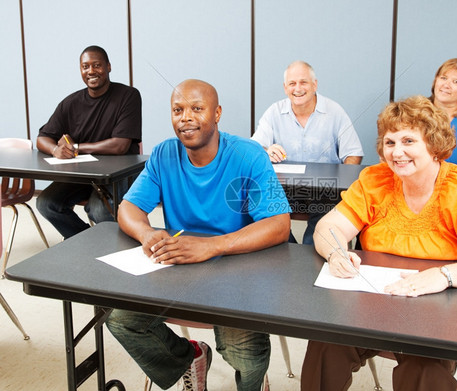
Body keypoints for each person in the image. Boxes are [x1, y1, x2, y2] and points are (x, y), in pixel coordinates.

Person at [301, 95, 457, 391]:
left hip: (438, 312)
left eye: (409, 141)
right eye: (390, 142)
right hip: (373, 305)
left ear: (433, 145)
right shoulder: (376, 179)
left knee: (423, 369)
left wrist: (443, 275)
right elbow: (329, 226)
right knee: (325, 345)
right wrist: (336, 252)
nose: (397, 152)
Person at [105, 79, 291, 391]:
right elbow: (128, 209)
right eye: (177, 110)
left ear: (217, 113)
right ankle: (188, 356)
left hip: (238, 267)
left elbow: (278, 225)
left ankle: (254, 383)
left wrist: (211, 246)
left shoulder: (248, 155)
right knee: (122, 321)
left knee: (244, 351)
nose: (186, 117)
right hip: (179, 267)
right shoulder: (164, 154)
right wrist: (147, 233)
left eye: (197, 109)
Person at [251, 60, 363, 244]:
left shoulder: (334, 111)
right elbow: (254, 149)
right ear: (285, 88)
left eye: (303, 82)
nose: (298, 88)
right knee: (262, 212)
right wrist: (266, 150)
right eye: (292, 83)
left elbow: (353, 153)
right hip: (283, 188)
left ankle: (312, 262)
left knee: (321, 232)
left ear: (314, 84)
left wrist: (343, 184)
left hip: (325, 189)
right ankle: (289, 254)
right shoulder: (274, 112)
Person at [36, 45, 142, 239]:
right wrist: (55, 150)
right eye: (85, 66)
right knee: (46, 203)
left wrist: (76, 148)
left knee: (98, 210)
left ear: (109, 67)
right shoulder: (71, 102)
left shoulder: (128, 96)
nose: (91, 71)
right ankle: (85, 242)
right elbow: (42, 138)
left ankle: (105, 248)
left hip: (119, 175)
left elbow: (120, 146)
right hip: (84, 175)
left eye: (97, 65)